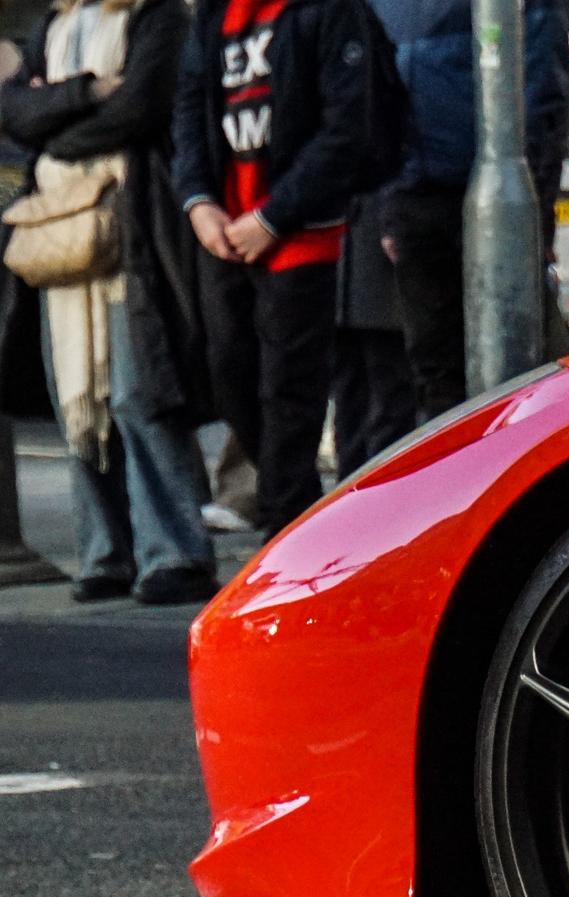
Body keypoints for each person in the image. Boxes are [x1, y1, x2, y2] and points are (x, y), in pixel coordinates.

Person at [0, 0, 221, 605]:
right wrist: (87, 92)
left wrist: (55, 129)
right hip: (60, 230)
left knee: (139, 390)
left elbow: (142, 109)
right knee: (74, 395)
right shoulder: (54, 27)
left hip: (134, 228)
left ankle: (176, 552)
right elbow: (11, 110)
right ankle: (105, 554)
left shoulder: (159, 17)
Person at [171, 0, 402, 534]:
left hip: (301, 233)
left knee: (289, 392)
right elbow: (187, 112)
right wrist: (198, 200)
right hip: (225, 231)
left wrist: (275, 217)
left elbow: (347, 130)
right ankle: (296, 507)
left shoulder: (327, 13)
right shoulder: (214, 17)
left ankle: (285, 522)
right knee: (229, 375)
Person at [368, 0, 569, 419]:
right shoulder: (387, 9)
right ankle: (458, 473)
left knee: (519, 361)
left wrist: (537, 215)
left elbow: (541, 107)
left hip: (494, 198)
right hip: (420, 201)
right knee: (435, 363)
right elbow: (378, 103)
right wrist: (391, 204)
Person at [331, 195, 417, 475]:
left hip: (375, 244)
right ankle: (358, 486)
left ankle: (372, 486)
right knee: (355, 391)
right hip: (349, 245)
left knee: (383, 389)